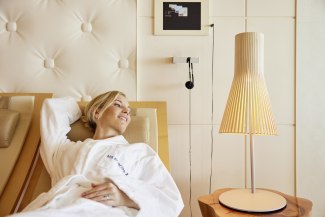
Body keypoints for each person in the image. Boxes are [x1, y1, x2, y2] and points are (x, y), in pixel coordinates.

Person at [9, 91, 184, 217]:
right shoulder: (65, 149)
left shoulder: (138, 152)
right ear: (97, 112)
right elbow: (52, 108)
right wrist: (83, 108)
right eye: (118, 104)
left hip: (105, 211)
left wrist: (126, 198)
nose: (126, 111)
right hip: (56, 209)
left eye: (128, 110)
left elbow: (171, 200)